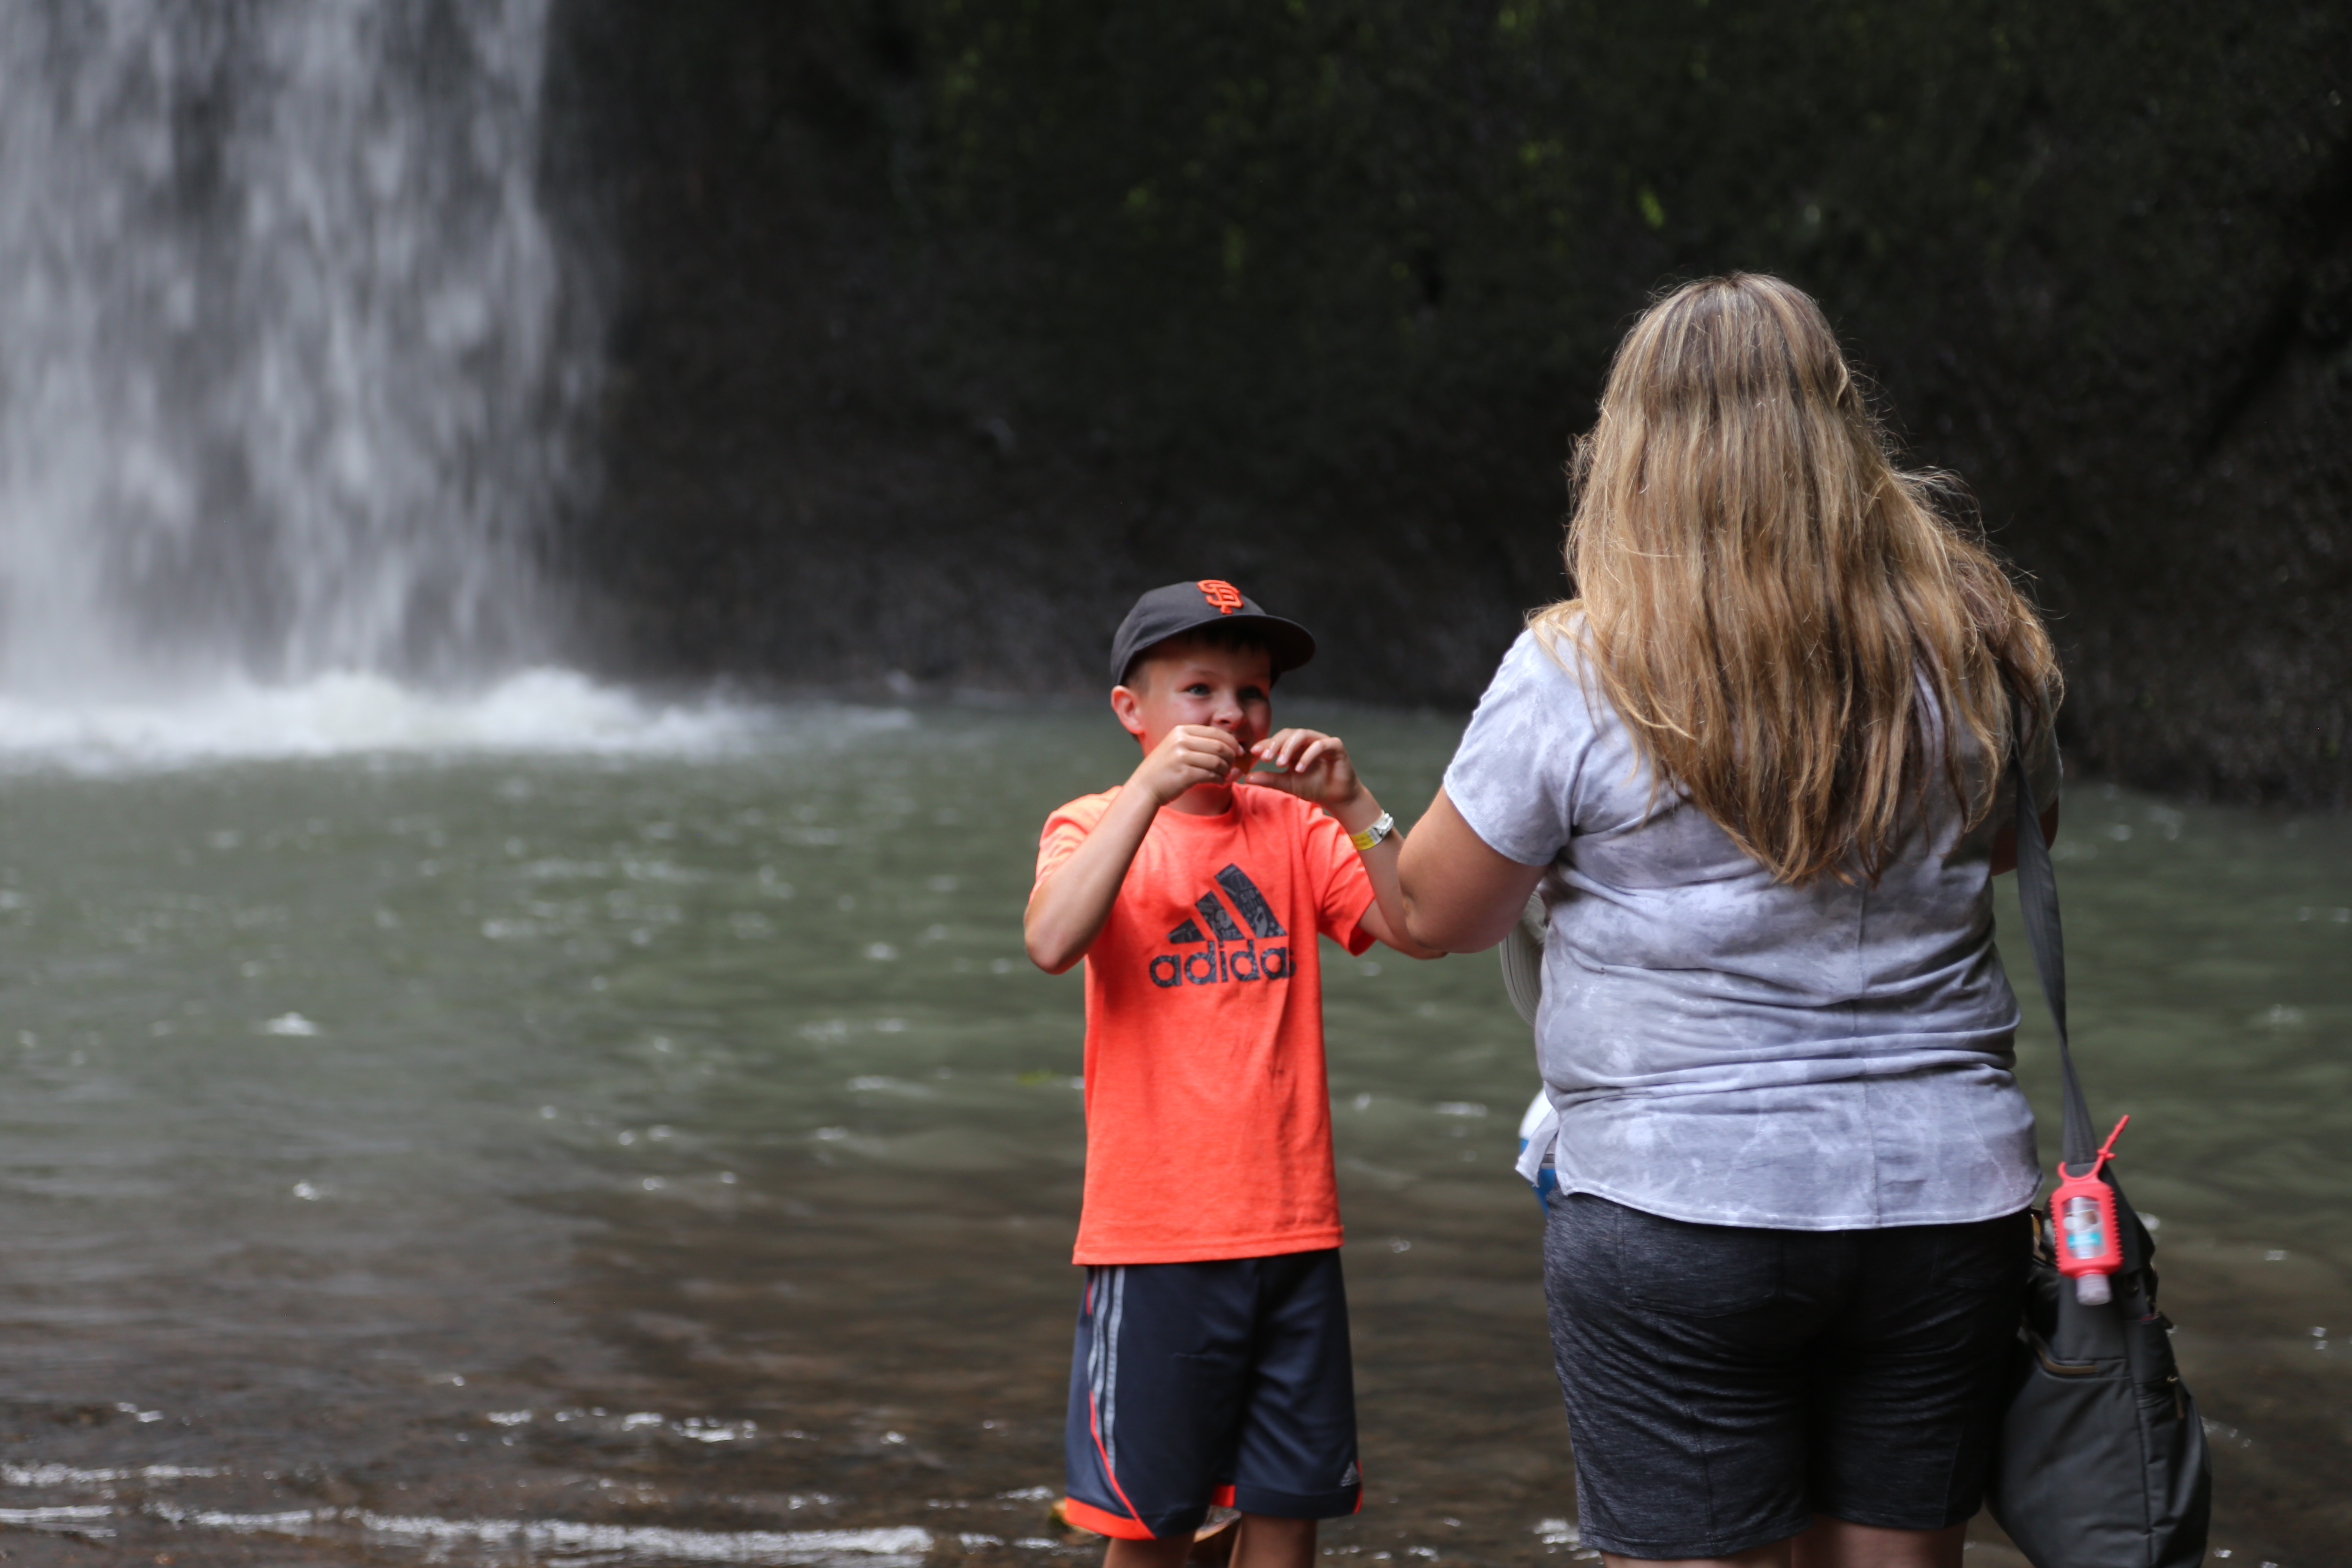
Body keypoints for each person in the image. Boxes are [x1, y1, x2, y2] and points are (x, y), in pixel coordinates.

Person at [1396, 274, 2063, 1568]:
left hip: (1676, 1203)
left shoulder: (1582, 667)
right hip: (1943, 1202)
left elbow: (1437, 914)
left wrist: (1369, 830)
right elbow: (2009, 849)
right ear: (1839, 427)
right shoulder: (1979, 641)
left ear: (1632, 442)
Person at [1025, 580, 1442, 1568]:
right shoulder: (1089, 823)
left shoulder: (1294, 828)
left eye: (1252, 694)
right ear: (1132, 712)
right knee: (1153, 1522)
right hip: (1158, 1235)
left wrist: (1355, 801)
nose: (1231, 716)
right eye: (1199, 691)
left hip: (1295, 1228)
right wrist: (1148, 793)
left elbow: (1419, 927)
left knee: (1286, 1507)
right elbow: (1051, 939)